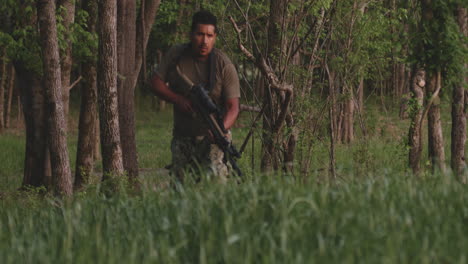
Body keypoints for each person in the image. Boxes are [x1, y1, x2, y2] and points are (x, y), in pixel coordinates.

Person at [150, 10, 241, 183]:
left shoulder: (224, 65)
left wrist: (220, 130)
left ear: (215, 37)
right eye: (200, 34)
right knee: (179, 186)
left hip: (214, 137)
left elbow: (233, 107)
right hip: (183, 136)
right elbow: (155, 82)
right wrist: (177, 99)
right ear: (191, 34)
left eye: (209, 35)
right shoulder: (176, 55)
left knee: (215, 181)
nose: (204, 41)